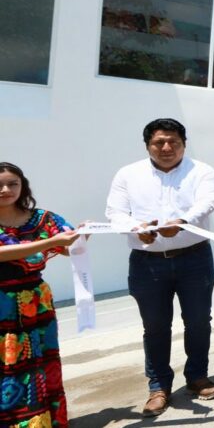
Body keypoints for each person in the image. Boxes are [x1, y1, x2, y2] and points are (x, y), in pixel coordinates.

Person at [105, 119, 214, 416]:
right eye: (159, 142)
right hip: (147, 263)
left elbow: (207, 202)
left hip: (194, 258)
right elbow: (115, 212)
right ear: (147, 145)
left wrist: (182, 222)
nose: (166, 148)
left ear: (184, 143)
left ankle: (196, 376)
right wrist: (134, 228)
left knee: (198, 321)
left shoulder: (202, 171)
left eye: (174, 142)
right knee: (155, 326)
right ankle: (158, 386)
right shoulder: (128, 174)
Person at [0, 163, 79, 428]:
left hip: (36, 301)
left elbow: (70, 248)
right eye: (0, 185)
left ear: (23, 186)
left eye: (13, 184)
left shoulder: (43, 218)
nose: (5, 189)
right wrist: (51, 242)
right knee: (8, 365)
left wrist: (80, 237)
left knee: (43, 363)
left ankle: (48, 422)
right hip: (2, 304)